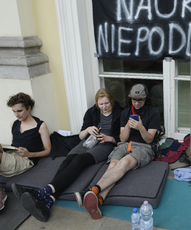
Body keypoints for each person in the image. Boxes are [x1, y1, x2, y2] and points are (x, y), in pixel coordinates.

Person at [12, 88, 123, 222]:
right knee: (67, 161)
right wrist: (88, 129)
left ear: (111, 101)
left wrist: (109, 138)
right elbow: (81, 135)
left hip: (105, 145)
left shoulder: (120, 113)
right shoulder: (91, 112)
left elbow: (122, 138)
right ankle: (48, 202)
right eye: (101, 104)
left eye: (107, 103)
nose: (104, 107)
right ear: (96, 104)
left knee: (79, 160)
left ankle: (42, 192)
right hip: (87, 141)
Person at [77, 84, 160, 219]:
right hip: (125, 144)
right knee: (113, 165)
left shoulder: (153, 112)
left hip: (144, 147)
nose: (137, 103)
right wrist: (128, 125)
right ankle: (99, 199)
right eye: (134, 100)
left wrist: (140, 127)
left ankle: (91, 190)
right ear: (130, 99)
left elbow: (149, 139)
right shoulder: (125, 113)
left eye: (140, 100)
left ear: (145, 99)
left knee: (125, 162)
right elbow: (122, 138)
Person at [0, 92, 51, 177]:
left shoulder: (40, 126)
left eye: (19, 111)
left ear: (28, 108)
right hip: (11, 156)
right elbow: (14, 144)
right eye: (14, 111)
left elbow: (48, 151)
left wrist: (29, 154)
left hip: (26, 161)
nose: (16, 115)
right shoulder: (14, 124)